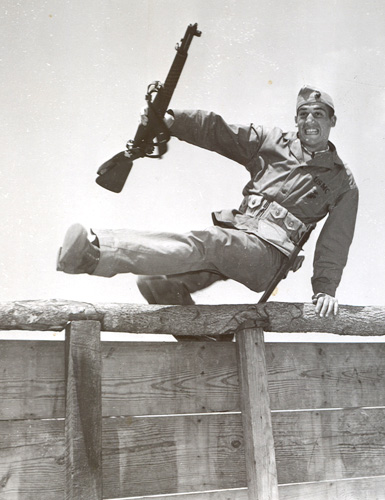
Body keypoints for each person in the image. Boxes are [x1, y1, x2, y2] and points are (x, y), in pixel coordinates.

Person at [57, 85, 358, 325]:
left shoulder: (341, 181)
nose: (310, 121)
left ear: (332, 120)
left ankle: (95, 252)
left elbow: (335, 243)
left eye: (318, 114)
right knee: (155, 282)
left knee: (210, 243)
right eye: (303, 113)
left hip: (268, 257)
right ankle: (205, 347)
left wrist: (325, 290)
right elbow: (218, 132)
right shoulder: (271, 141)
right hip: (239, 236)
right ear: (296, 119)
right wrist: (172, 120)